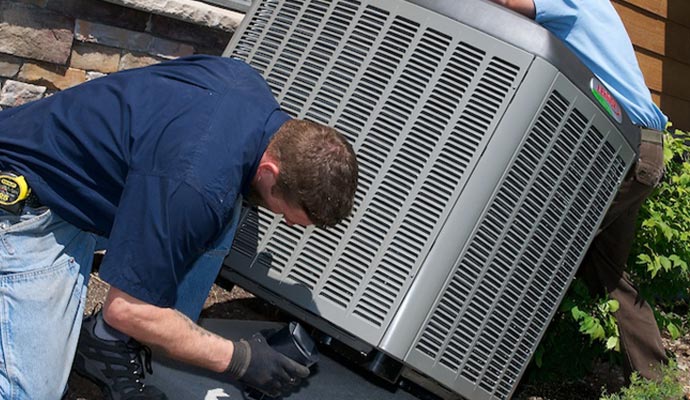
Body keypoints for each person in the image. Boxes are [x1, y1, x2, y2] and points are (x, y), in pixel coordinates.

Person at [0, 54, 359, 399]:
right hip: (29, 205)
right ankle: (138, 329)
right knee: (30, 392)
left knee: (224, 204)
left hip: (94, 182)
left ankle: (107, 342)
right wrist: (239, 359)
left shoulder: (246, 86)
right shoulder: (195, 184)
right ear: (272, 171)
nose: (280, 219)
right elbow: (126, 309)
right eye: (283, 212)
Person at [489, 0, 668, 382]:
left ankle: (483, 366)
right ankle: (658, 385)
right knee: (607, 272)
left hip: (618, 147)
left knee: (540, 251)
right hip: (642, 148)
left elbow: (507, 4)